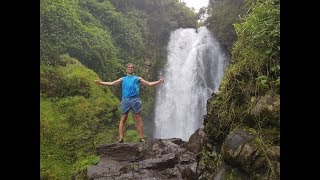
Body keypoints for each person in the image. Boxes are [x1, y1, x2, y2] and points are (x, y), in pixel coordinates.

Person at [95, 63, 164, 143]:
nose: (130, 68)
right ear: (126, 69)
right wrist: (100, 83)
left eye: (132, 67)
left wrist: (159, 81)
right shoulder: (123, 79)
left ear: (133, 69)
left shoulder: (138, 78)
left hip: (135, 100)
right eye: (129, 67)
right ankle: (121, 138)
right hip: (125, 100)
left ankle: (141, 138)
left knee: (138, 119)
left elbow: (148, 84)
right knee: (123, 118)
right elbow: (112, 83)